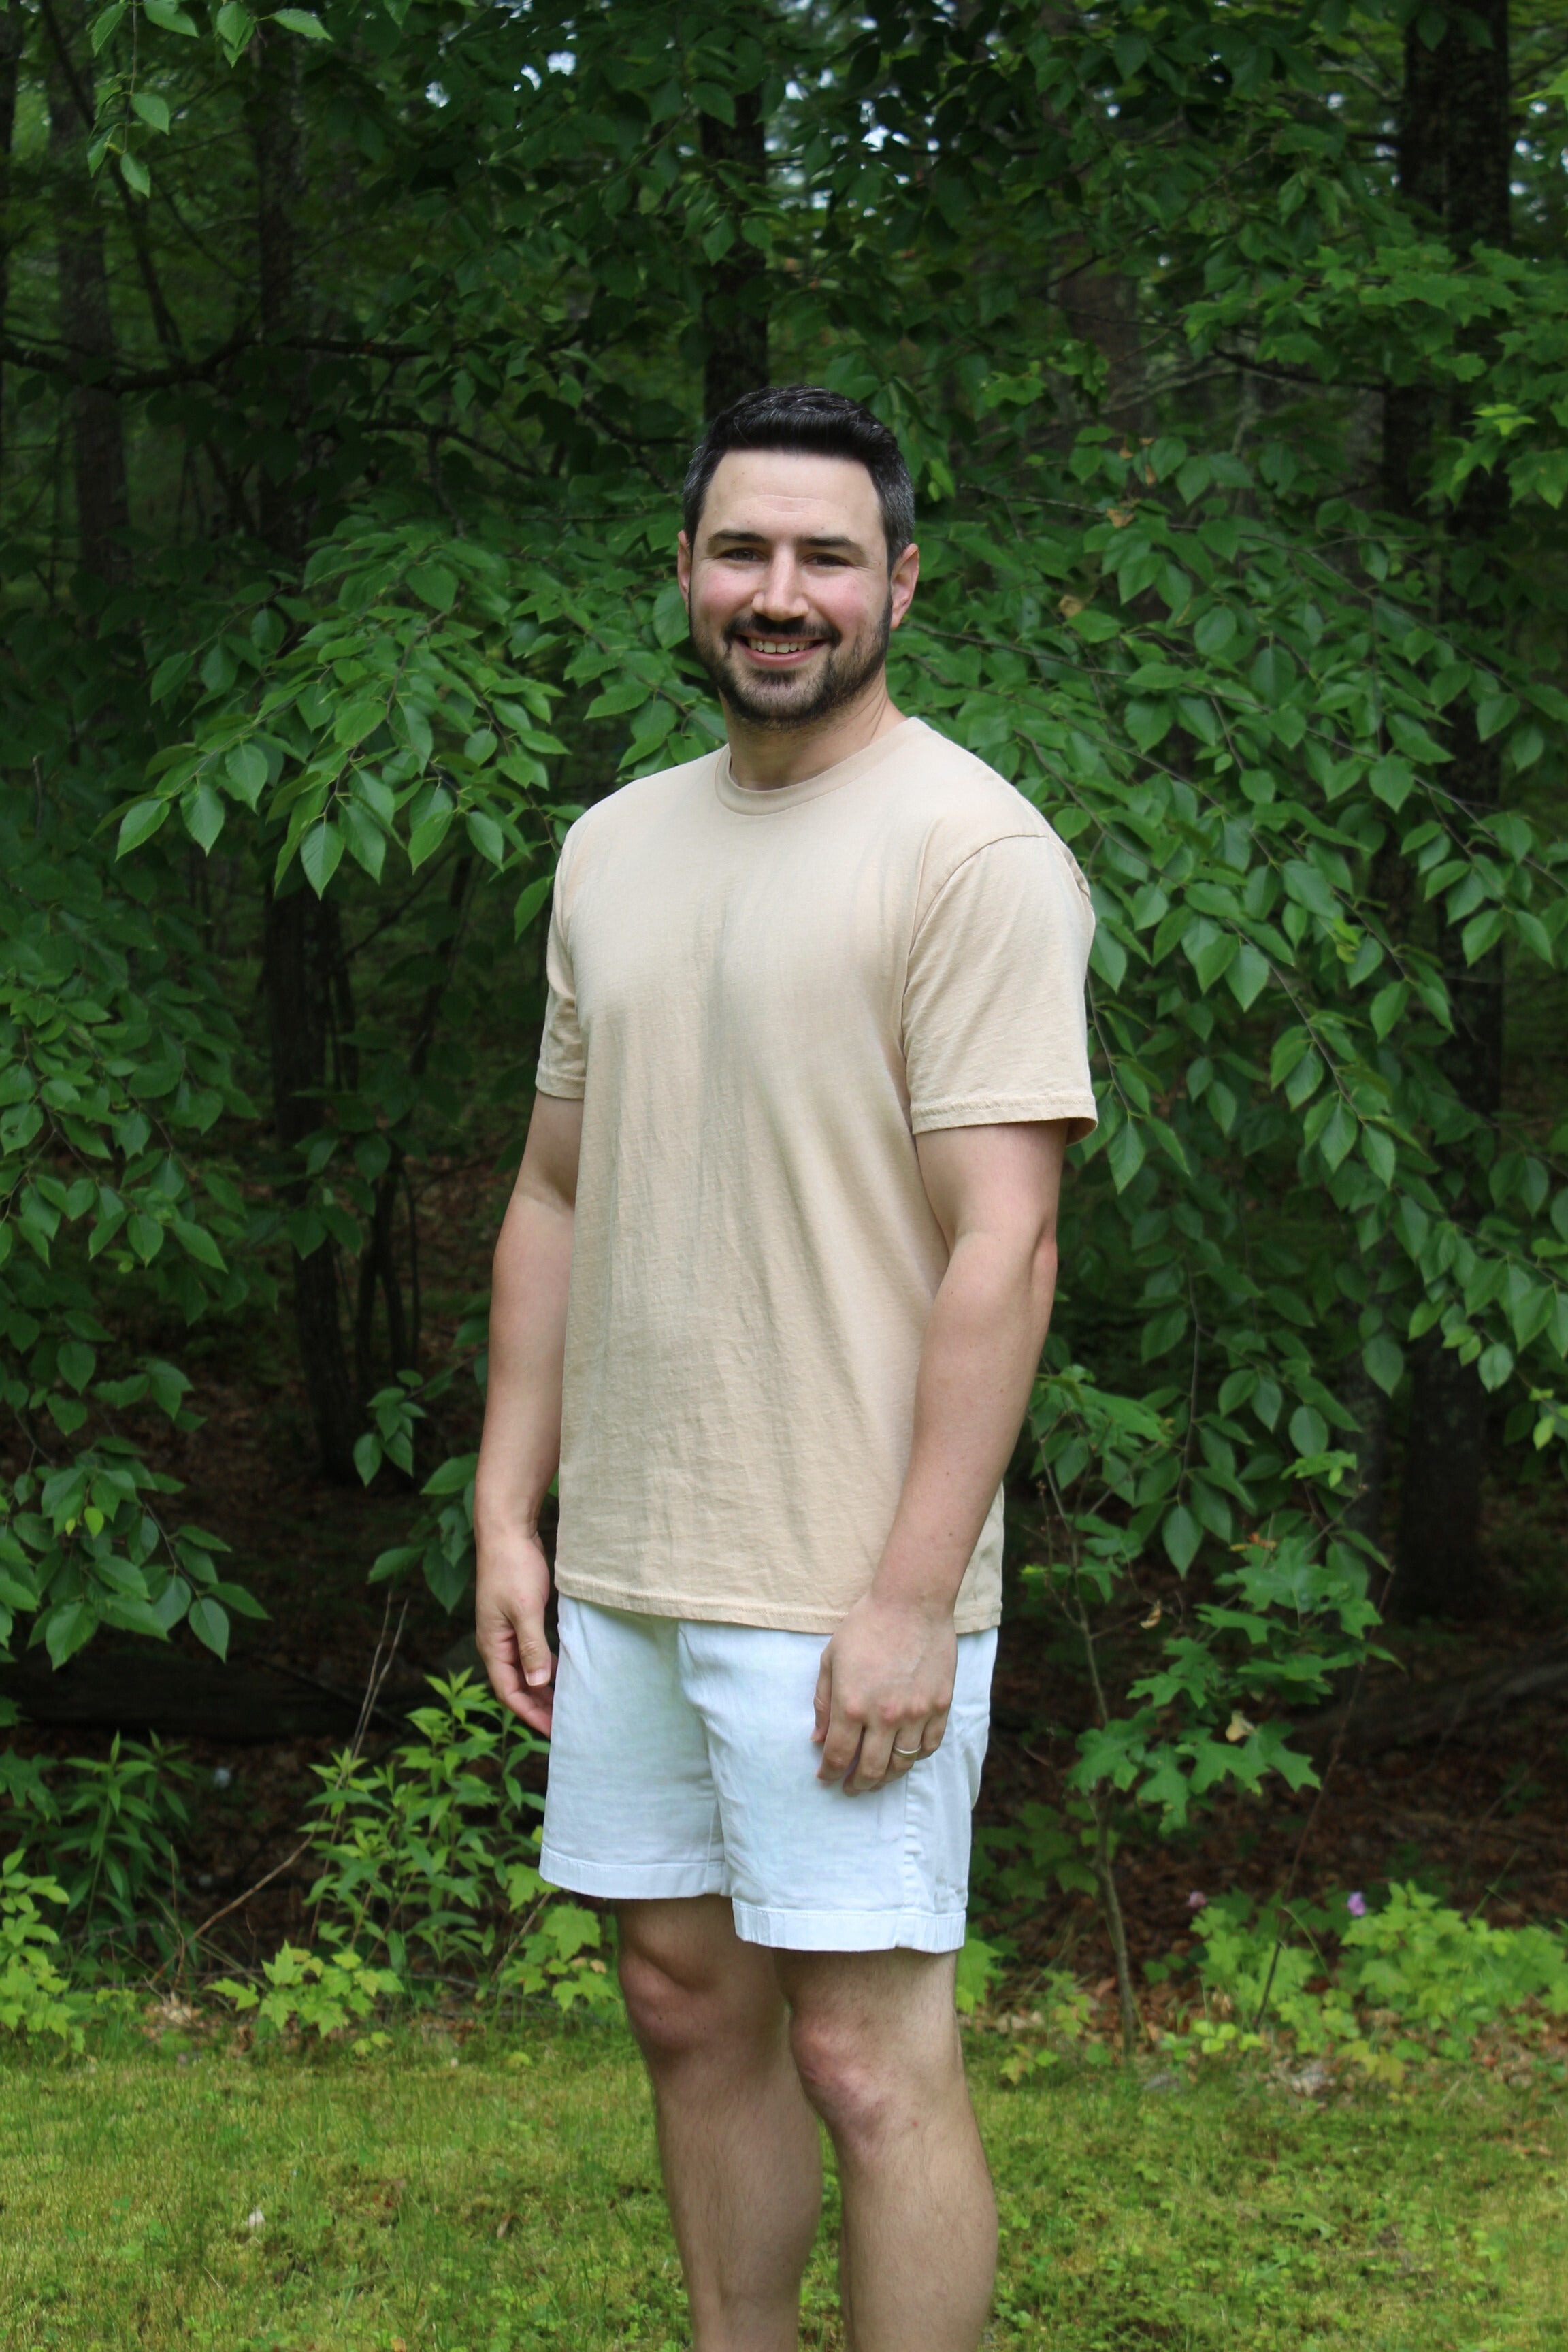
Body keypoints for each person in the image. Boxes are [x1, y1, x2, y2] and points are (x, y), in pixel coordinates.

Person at [474, 384, 1097, 2352]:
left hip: (847, 1575)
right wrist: (510, 1502)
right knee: (678, 1997)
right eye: (743, 550)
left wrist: (914, 1598)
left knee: (864, 2052)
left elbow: (1008, 1243)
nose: (781, 592)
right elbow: (556, 1190)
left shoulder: (970, 852)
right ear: (685, 575)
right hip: (637, 1562)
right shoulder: (612, 848)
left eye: (828, 556)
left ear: (900, 582)